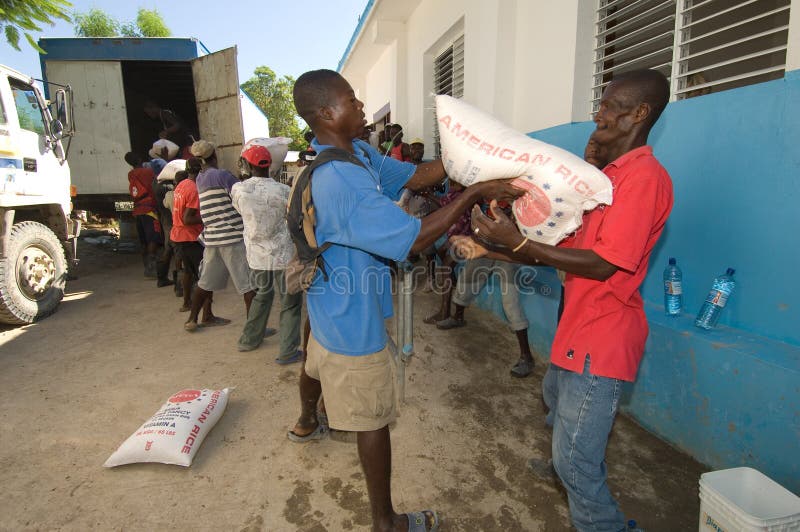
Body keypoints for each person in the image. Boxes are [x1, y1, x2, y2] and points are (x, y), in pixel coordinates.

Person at [289, 68, 524, 532]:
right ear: (326, 113)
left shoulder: (354, 153)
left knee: (315, 362)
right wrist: (474, 192)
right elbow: (415, 240)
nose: (361, 106)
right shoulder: (341, 179)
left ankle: (304, 422)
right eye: (352, 100)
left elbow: (418, 175)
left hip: (328, 302)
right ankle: (385, 522)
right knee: (372, 416)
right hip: (353, 316)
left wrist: (473, 161)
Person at [453, 69, 673, 531]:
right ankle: (562, 464)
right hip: (579, 327)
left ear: (639, 113)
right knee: (554, 407)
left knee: (577, 462)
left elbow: (607, 265)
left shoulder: (643, 178)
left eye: (611, 106)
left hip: (604, 337)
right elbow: (570, 257)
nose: (600, 114)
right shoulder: (606, 180)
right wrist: (493, 246)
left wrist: (516, 245)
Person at [231, 144, 302, 360]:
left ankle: (249, 340)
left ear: (247, 165)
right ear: (269, 164)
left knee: (262, 295)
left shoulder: (239, 189)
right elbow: (293, 218)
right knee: (290, 303)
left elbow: (240, 210)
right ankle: (287, 351)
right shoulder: (285, 191)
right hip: (284, 255)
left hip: (257, 256)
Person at [183, 140, 256, 332]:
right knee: (248, 285)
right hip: (232, 237)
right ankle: (253, 329)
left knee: (205, 282)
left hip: (212, 238)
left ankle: (192, 319)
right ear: (214, 155)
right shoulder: (222, 175)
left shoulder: (200, 178)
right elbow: (242, 195)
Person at [435, 252, 535, 378]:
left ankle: (526, 357)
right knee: (466, 280)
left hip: (508, 252)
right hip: (486, 248)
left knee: (510, 302)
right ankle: (458, 317)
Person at [170, 159, 217, 322]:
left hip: (178, 236)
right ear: (201, 169)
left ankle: (186, 302)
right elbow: (188, 218)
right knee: (206, 276)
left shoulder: (181, 185)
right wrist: (206, 218)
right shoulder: (194, 189)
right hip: (191, 237)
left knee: (188, 272)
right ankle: (207, 315)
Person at [124, 151, 162, 278]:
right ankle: (152, 265)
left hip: (137, 209)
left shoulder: (131, 174)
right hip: (149, 209)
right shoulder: (148, 172)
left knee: (144, 240)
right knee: (153, 237)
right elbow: (155, 187)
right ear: (140, 158)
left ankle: (146, 265)